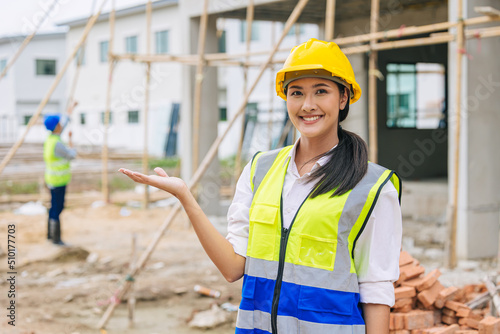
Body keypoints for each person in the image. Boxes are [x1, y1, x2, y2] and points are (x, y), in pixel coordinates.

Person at [119, 38, 402, 334]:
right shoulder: (259, 170)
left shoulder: (373, 186)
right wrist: (186, 198)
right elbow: (232, 269)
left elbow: (376, 289)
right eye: (297, 93)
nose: (308, 105)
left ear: (343, 98)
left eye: (321, 91)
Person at [43, 106, 77, 246]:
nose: (61, 124)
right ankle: (56, 239)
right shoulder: (57, 143)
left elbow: (61, 129)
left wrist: (69, 111)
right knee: (58, 208)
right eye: (59, 123)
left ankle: (50, 235)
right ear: (56, 126)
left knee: (53, 207)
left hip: (51, 179)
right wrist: (71, 141)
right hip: (58, 181)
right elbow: (72, 155)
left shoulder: (51, 139)